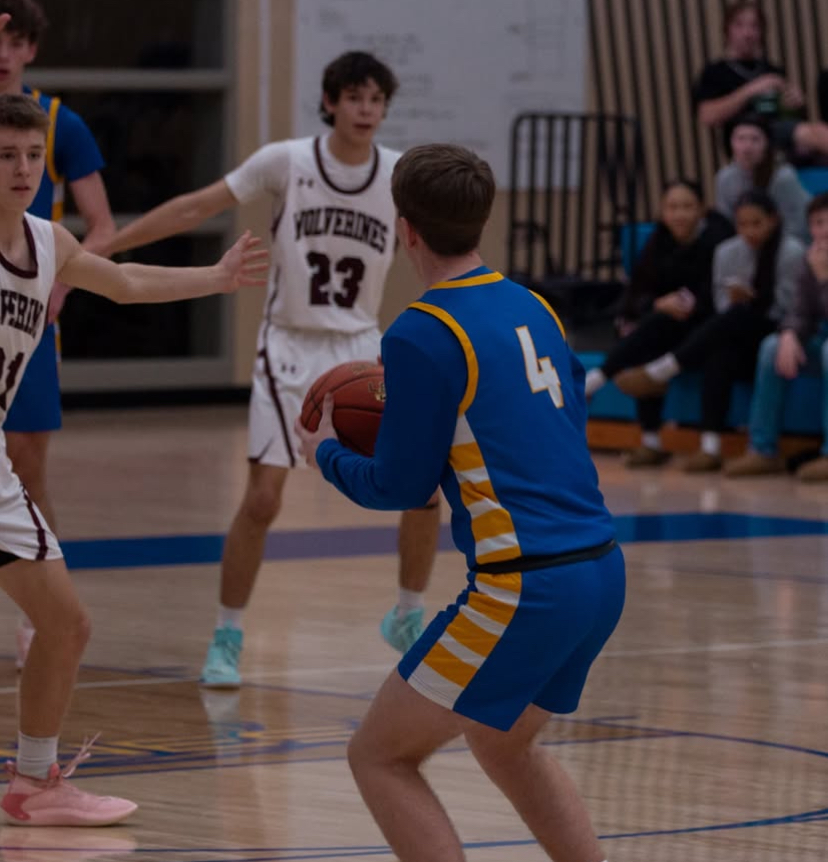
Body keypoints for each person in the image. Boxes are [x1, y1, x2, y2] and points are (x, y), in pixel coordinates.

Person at [296, 143, 625, 862]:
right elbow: (547, 426)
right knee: (504, 742)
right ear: (482, 219)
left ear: (404, 227)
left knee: (378, 755)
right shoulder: (533, 305)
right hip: (600, 569)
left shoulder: (420, 330)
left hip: (524, 586)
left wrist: (325, 453)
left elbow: (401, 487)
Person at [105, 51, 441, 687]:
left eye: (377, 100)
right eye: (356, 98)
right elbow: (193, 208)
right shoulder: (286, 161)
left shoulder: (400, 175)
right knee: (262, 499)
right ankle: (227, 635)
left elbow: (445, 236)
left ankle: (408, 614)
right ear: (331, 102)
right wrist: (109, 244)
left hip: (361, 347)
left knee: (422, 490)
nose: (367, 110)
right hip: (287, 346)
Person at [0, 91, 267, 824]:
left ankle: (33, 786)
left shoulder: (49, 241)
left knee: (65, 624)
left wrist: (212, 280)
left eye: (31, 156)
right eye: (5, 156)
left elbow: (122, 283)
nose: (23, 169)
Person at [0, 0, 116, 669]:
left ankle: (34, 606)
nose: (5, 51)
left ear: (32, 49)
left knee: (25, 463)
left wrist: (64, 279)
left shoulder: (57, 122)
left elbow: (100, 223)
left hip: (25, 305)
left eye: (17, 39)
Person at [615, 190, 804, 472]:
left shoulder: (791, 252)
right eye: (742, 224)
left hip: (774, 333)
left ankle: (662, 370)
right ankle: (710, 447)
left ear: (774, 221)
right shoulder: (727, 251)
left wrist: (752, 302)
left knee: (738, 317)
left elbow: (791, 310)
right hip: (735, 333)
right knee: (719, 349)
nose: (749, 231)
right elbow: (720, 304)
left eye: (757, 224)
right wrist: (738, 300)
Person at [585, 180, 733, 467]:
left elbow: (720, 297)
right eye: (673, 207)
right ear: (663, 212)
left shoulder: (719, 240)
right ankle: (651, 442)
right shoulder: (658, 241)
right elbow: (635, 295)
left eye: (688, 206)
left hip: (710, 328)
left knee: (718, 352)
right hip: (670, 327)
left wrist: (690, 306)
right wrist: (658, 303)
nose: (680, 214)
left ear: (702, 209)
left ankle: (597, 379)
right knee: (651, 332)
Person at [726, 193, 828, 480]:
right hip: (819, 341)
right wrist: (789, 334)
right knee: (772, 347)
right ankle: (762, 449)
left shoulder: (818, 266)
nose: (825, 230)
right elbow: (798, 310)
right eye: (818, 223)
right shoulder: (811, 259)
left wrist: (824, 279)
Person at [694, 1, 828, 162]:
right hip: (746, 137)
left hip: (784, 136)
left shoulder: (772, 70)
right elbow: (707, 116)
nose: (747, 33)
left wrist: (796, 103)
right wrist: (752, 90)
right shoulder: (715, 72)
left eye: (754, 26)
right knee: (810, 134)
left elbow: (793, 117)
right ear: (727, 30)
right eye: (739, 25)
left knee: (817, 136)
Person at [716, 115, 811, 242]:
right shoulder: (724, 178)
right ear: (730, 143)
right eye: (740, 139)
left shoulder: (783, 176)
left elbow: (799, 225)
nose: (747, 147)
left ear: (767, 144)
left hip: (784, 244)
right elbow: (724, 225)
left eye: (755, 139)